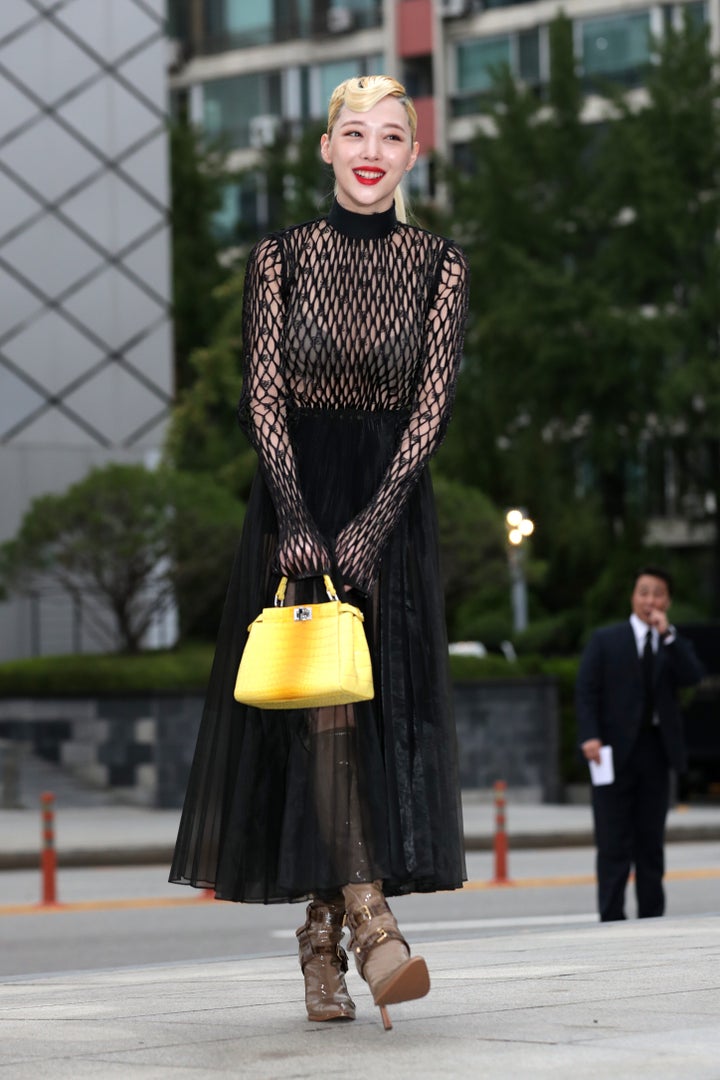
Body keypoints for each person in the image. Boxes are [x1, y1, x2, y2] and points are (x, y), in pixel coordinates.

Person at [169, 75, 469, 1030]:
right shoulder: (280, 258)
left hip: (393, 507)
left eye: (390, 134)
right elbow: (261, 397)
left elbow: (431, 409)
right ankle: (369, 928)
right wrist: (297, 518)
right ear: (327, 149)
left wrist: (375, 525)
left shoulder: (440, 266)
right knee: (324, 715)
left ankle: (320, 944)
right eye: (353, 131)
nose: (371, 148)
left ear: (411, 155)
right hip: (293, 507)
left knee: (367, 725)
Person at [576, 566, 705, 922]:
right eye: (644, 592)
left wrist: (669, 636)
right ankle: (611, 916)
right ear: (633, 596)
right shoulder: (606, 640)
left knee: (650, 842)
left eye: (658, 593)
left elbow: (693, 676)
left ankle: (652, 917)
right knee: (613, 842)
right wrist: (589, 735)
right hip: (610, 753)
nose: (650, 600)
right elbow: (586, 693)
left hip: (656, 752)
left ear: (668, 600)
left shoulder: (671, 642)